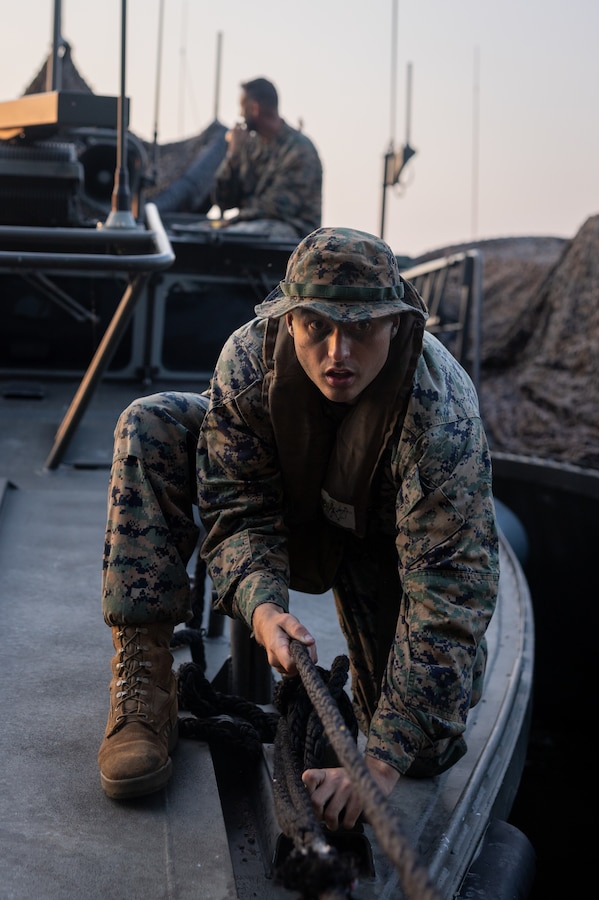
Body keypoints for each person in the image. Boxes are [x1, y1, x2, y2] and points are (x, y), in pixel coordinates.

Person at [98, 227, 499, 830]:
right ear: (289, 322)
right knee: (150, 423)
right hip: (287, 495)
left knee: (424, 755)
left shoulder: (441, 415)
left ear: (396, 324)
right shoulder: (248, 362)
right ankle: (143, 688)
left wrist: (378, 763)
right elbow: (238, 507)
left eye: (362, 328)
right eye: (316, 326)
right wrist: (263, 609)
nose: (338, 352)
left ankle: (420, 704)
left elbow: (450, 587)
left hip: (381, 539)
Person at [211, 77, 322, 239]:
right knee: (197, 233)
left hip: (295, 235)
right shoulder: (250, 146)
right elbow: (223, 201)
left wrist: (233, 221)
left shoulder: (299, 150)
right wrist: (233, 156)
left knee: (235, 236)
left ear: (254, 108)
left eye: (242, 108)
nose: (240, 114)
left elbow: (277, 208)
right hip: (250, 226)